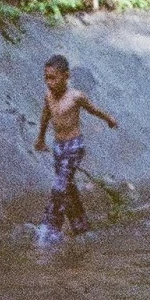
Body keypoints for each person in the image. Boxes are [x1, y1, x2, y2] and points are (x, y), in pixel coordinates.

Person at [35, 53, 117, 236]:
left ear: (66, 76)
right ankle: (80, 226)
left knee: (59, 187)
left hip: (74, 146)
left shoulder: (75, 96)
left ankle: (49, 232)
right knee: (68, 188)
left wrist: (108, 119)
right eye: (46, 78)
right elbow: (45, 116)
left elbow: (93, 109)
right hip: (58, 146)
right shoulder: (48, 96)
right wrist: (40, 138)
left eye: (53, 78)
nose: (49, 82)